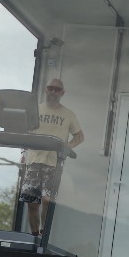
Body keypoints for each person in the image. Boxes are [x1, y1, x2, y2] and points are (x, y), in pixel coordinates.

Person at [20, 78, 84, 237]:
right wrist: (23, 153)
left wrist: (66, 147)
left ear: (62, 93)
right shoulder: (36, 110)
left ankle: (44, 234)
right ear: (45, 90)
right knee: (32, 202)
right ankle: (35, 236)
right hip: (34, 161)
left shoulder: (68, 114)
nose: (53, 91)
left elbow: (79, 136)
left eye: (57, 89)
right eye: (51, 88)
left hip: (54, 163)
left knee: (48, 200)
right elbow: (25, 134)